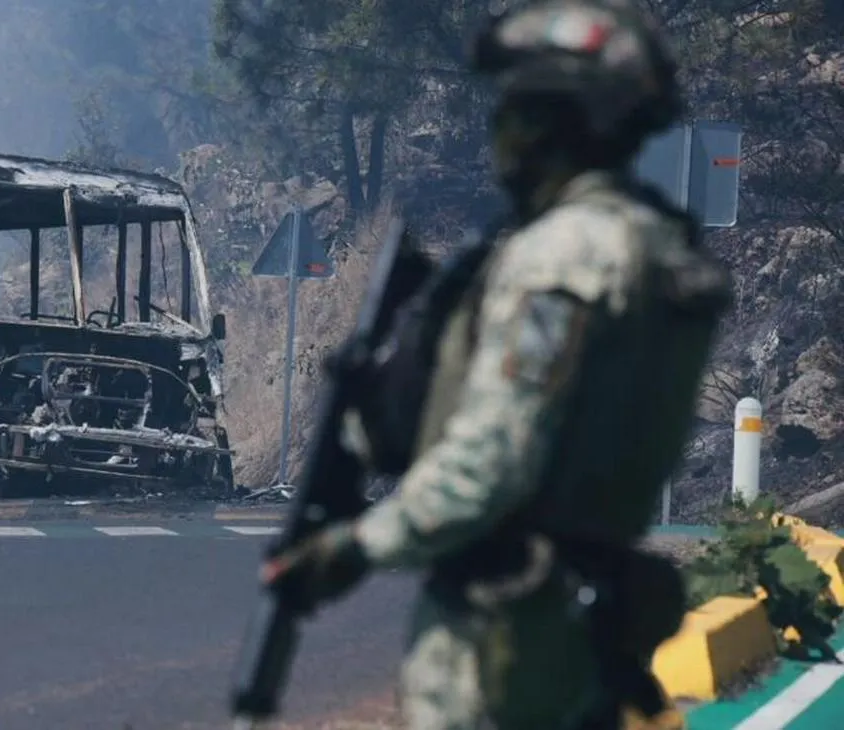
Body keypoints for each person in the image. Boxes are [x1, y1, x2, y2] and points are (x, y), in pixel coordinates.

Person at [260, 1, 733, 728]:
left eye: (517, 107)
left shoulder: (562, 257)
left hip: (504, 636)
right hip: (588, 626)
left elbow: (496, 458)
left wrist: (356, 547)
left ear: (554, 123)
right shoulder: (661, 249)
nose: (500, 131)